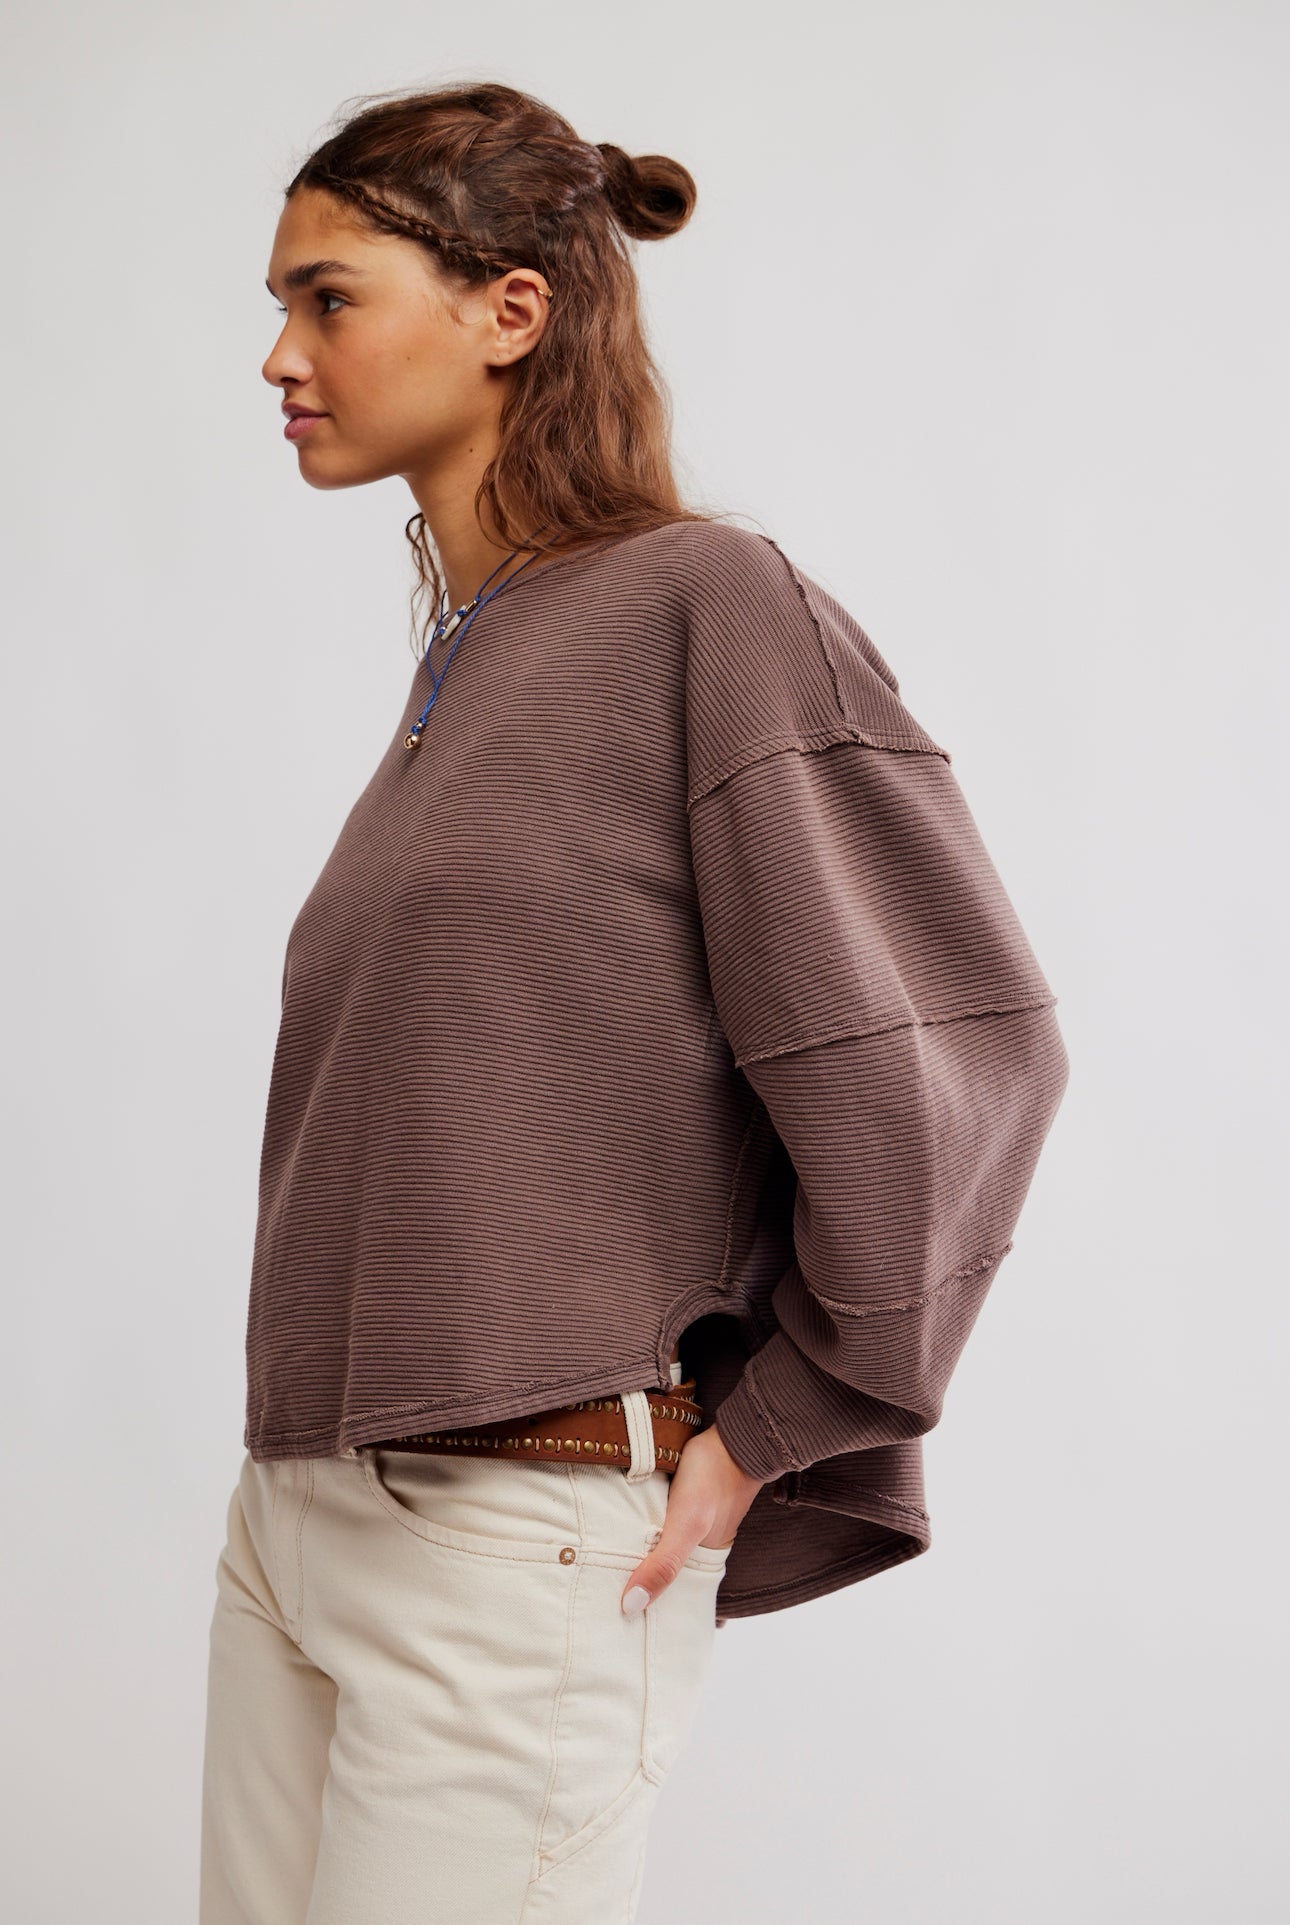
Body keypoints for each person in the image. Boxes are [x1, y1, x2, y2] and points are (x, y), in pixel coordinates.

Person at [199, 78, 1070, 1924]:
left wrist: (783, 1418)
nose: (279, 354)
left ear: (509, 310)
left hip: (510, 1535)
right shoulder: (471, 651)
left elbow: (957, 1040)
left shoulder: (702, 603)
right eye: (280, 306)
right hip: (295, 1520)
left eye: (327, 298)